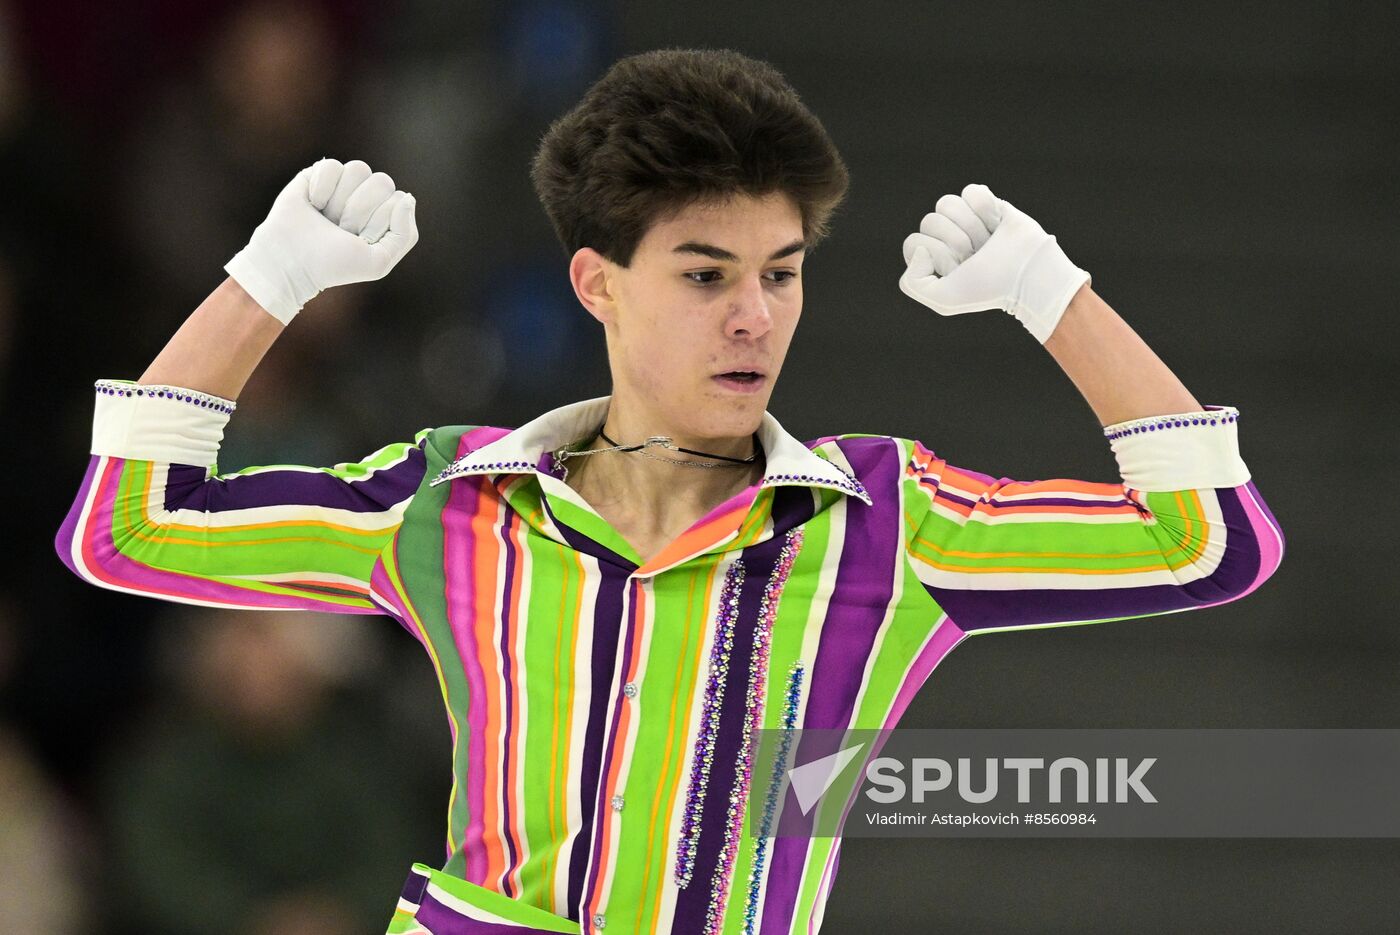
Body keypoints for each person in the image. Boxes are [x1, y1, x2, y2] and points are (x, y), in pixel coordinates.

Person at [55, 47, 1284, 935]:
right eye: (705, 274)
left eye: (781, 274)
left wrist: (1050, 292)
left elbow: (1211, 541)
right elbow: (122, 529)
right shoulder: (456, 501)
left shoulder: (882, 522)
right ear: (598, 284)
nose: (754, 316)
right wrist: (269, 278)